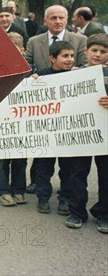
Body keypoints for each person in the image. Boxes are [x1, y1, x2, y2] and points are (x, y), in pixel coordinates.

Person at [32, 41, 77, 219]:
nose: (70, 60)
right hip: (46, 132)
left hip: (68, 133)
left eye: (72, 56)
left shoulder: (78, 76)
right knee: (43, 167)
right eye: (65, 56)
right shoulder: (42, 75)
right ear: (52, 58)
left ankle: (65, 198)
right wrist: (32, 82)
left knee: (68, 168)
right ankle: (43, 197)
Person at [82, 33, 108, 232]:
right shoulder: (73, 74)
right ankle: (77, 211)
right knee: (77, 172)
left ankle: (104, 213)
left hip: (105, 135)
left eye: (103, 52)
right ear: (86, 52)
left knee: (105, 174)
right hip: (80, 134)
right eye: (94, 51)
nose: (98, 55)